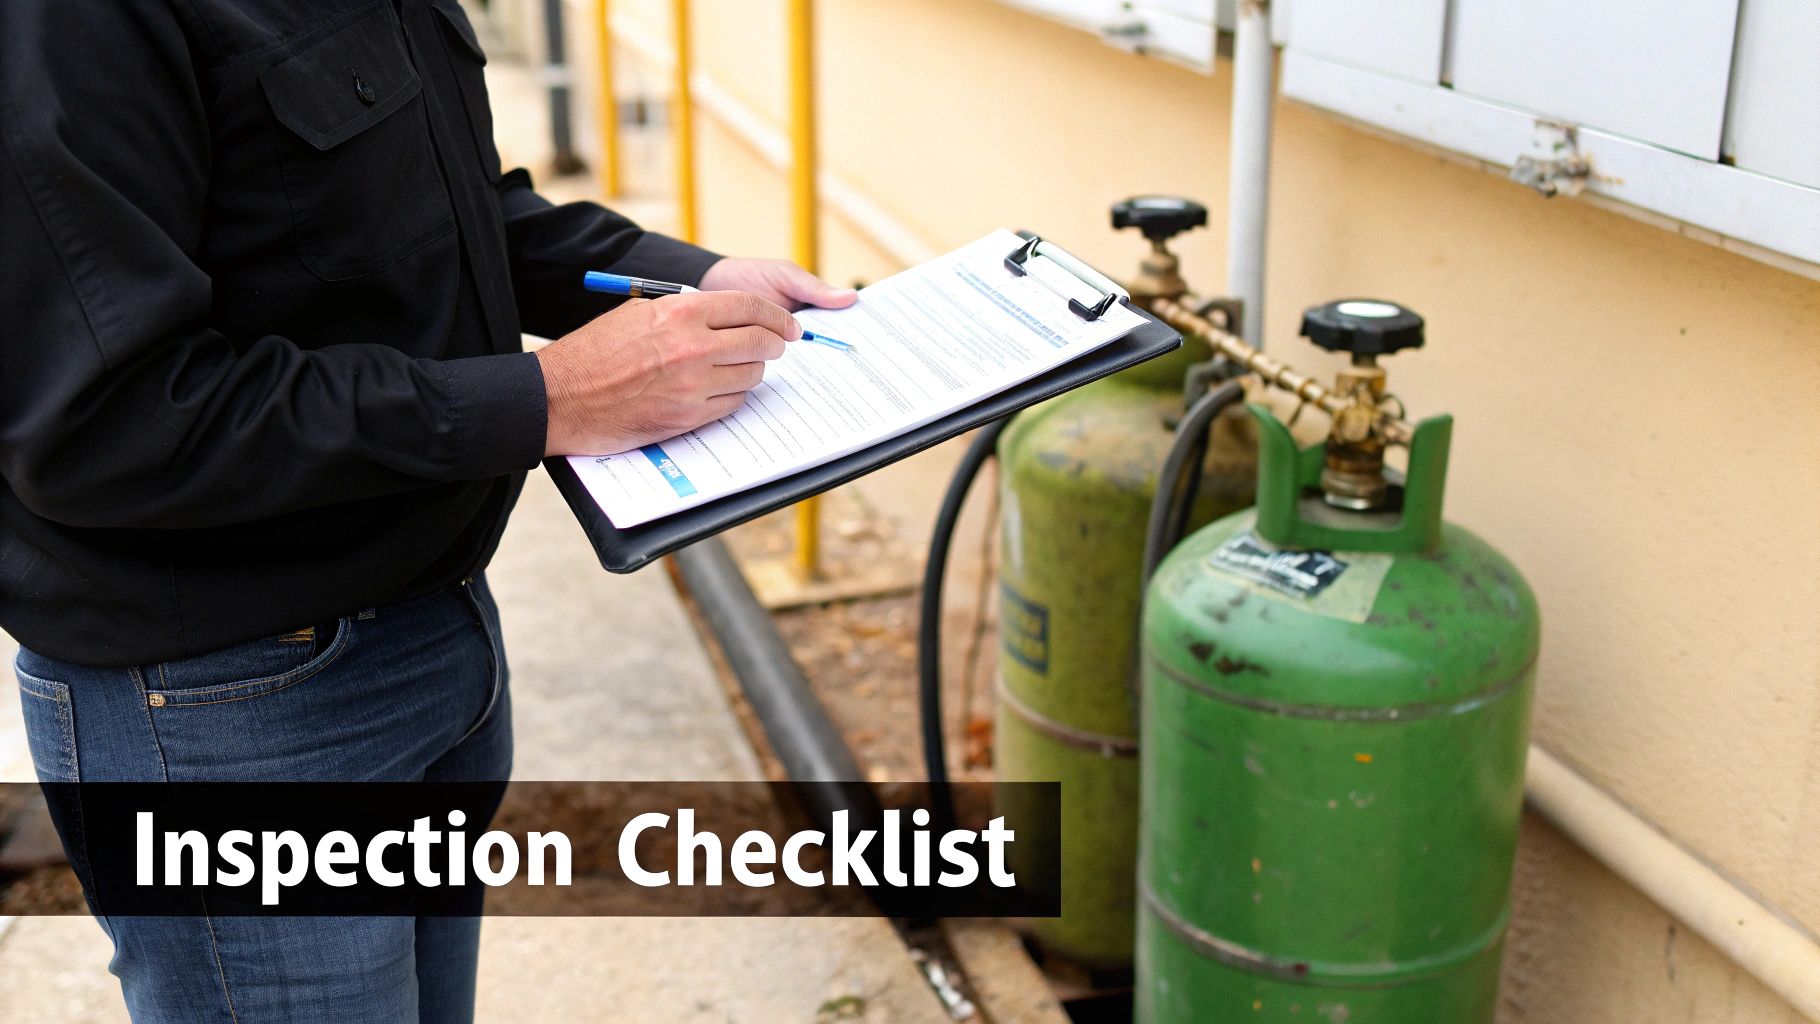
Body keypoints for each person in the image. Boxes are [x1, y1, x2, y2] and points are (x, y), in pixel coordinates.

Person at [0, 1, 855, 1020]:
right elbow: (109, 423)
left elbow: (450, 208)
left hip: (431, 632)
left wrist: (689, 281)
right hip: (228, 706)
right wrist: (552, 399)